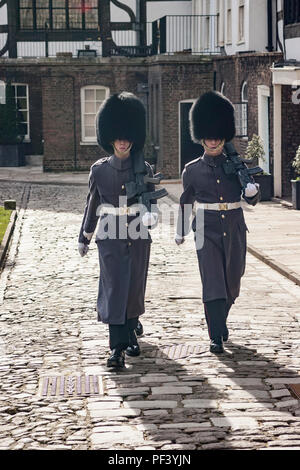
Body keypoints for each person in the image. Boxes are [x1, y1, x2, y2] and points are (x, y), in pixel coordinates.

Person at [78, 92, 164, 368]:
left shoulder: (145, 168)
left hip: (138, 234)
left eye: (127, 137)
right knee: (115, 288)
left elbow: (152, 203)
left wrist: (151, 216)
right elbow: (92, 205)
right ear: (110, 138)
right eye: (118, 137)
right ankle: (117, 348)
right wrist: (85, 236)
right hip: (110, 234)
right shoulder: (99, 170)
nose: (123, 141)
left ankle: (130, 331)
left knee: (133, 287)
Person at [175, 91, 260, 354]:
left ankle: (220, 320)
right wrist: (180, 230)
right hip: (205, 227)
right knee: (212, 281)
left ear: (224, 135)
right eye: (208, 136)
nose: (212, 141)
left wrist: (253, 193)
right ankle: (215, 335)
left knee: (233, 280)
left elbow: (253, 200)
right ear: (201, 138)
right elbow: (185, 201)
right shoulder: (192, 170)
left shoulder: (237, 166)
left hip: (234, 225)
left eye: (217, 136)